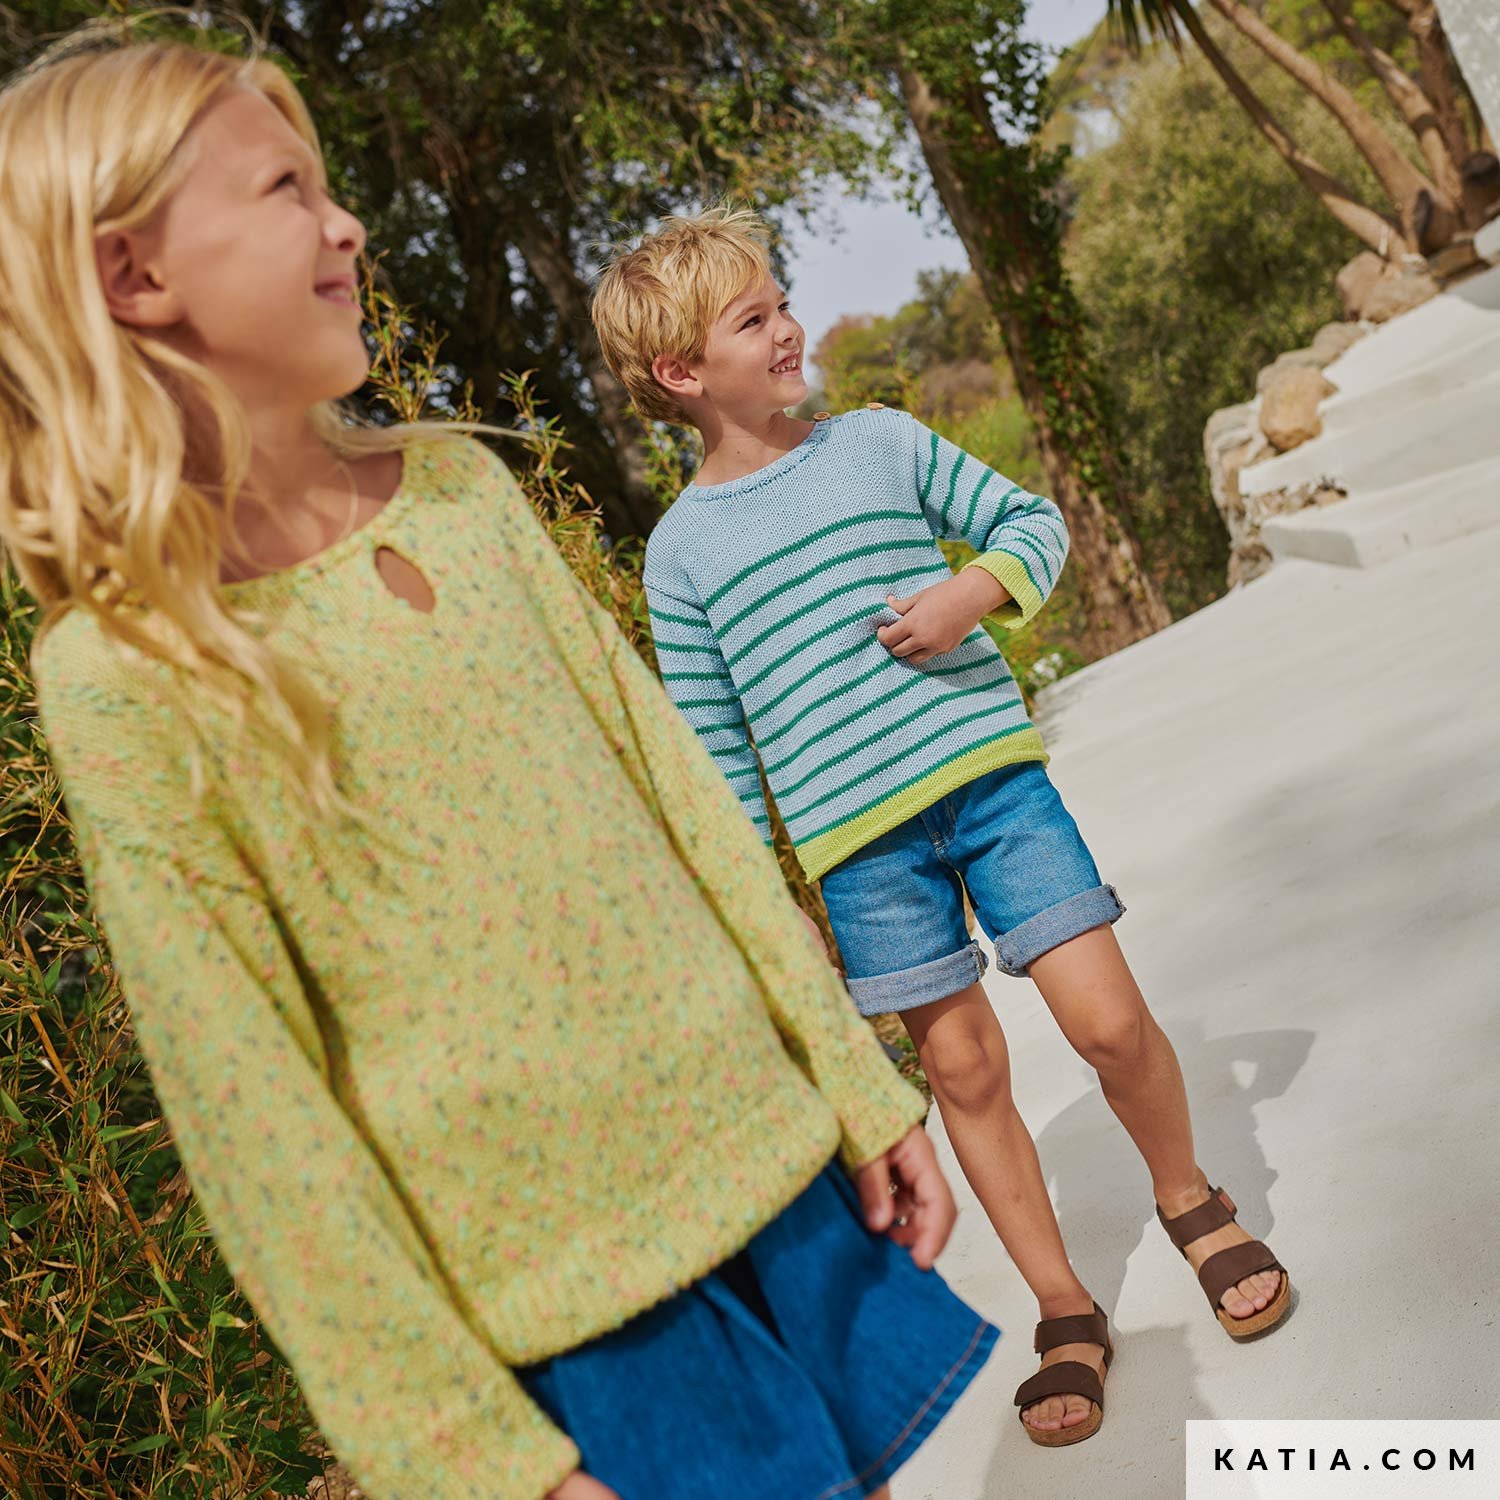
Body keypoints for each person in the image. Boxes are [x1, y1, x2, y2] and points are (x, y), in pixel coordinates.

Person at [1, 30, 998, 1500]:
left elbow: (680, 799)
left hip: (769, 1162)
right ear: (133, 276)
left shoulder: (461, 492)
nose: (346, 226)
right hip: (570, 1308)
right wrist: (464, 1459)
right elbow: (250, 1109)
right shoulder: (125, 671)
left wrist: (851, 1080)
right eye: (285, 191)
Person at [591, 205, 1292, 1448]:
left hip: (994, 792)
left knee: (1107, 1020)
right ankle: (1064, 1305)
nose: (789, 326)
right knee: (964, 1072)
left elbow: (1033, 524)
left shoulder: (878, 441)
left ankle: (1190, 1198)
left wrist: (971, 594)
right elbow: (716, 756)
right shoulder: (680, 554)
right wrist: (760, 913)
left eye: (781, 301)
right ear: (682, 372)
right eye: (754, 319)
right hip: (861, 857)